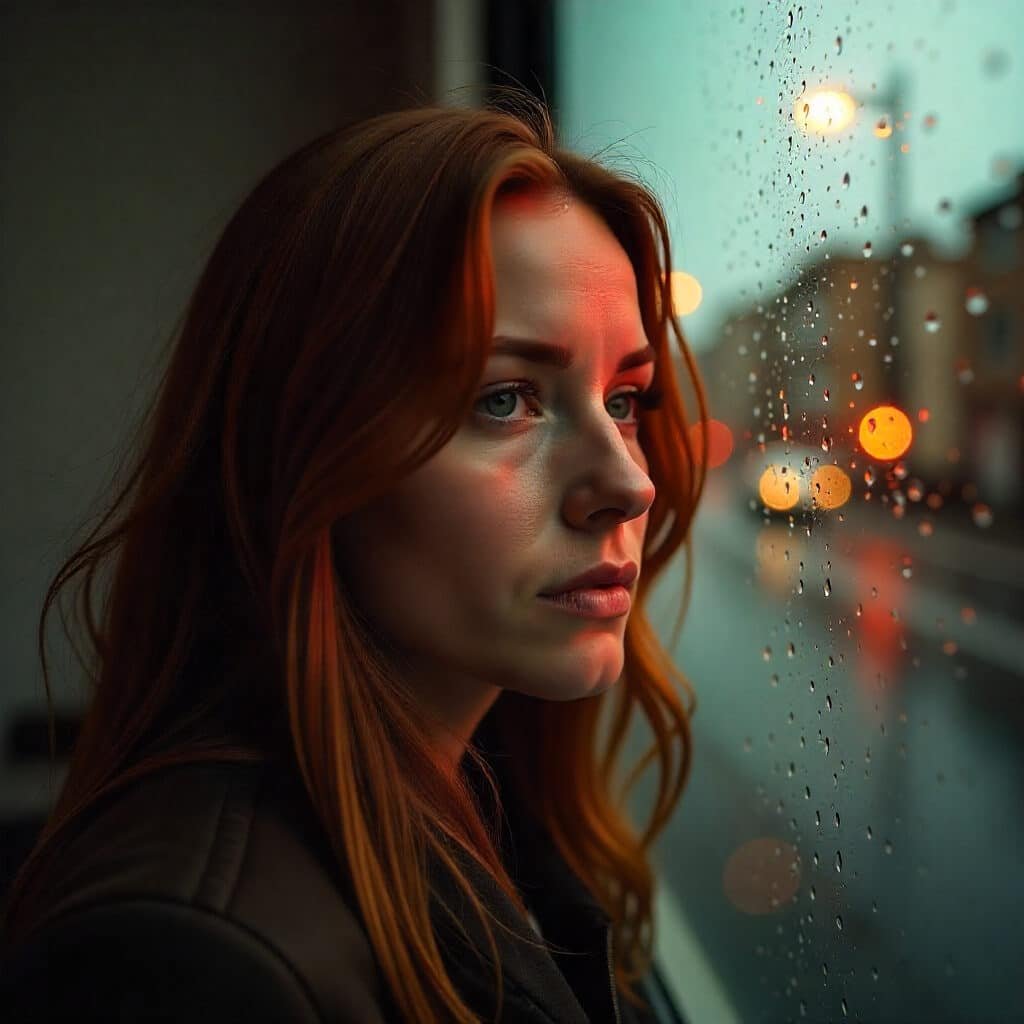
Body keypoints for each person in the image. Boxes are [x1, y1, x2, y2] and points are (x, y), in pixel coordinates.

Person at [0, 90, 707, 1022]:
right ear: (298, 449)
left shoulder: (481, 788)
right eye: (504, 400)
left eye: (624, 401)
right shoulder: (190, 961)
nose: (628, 485)